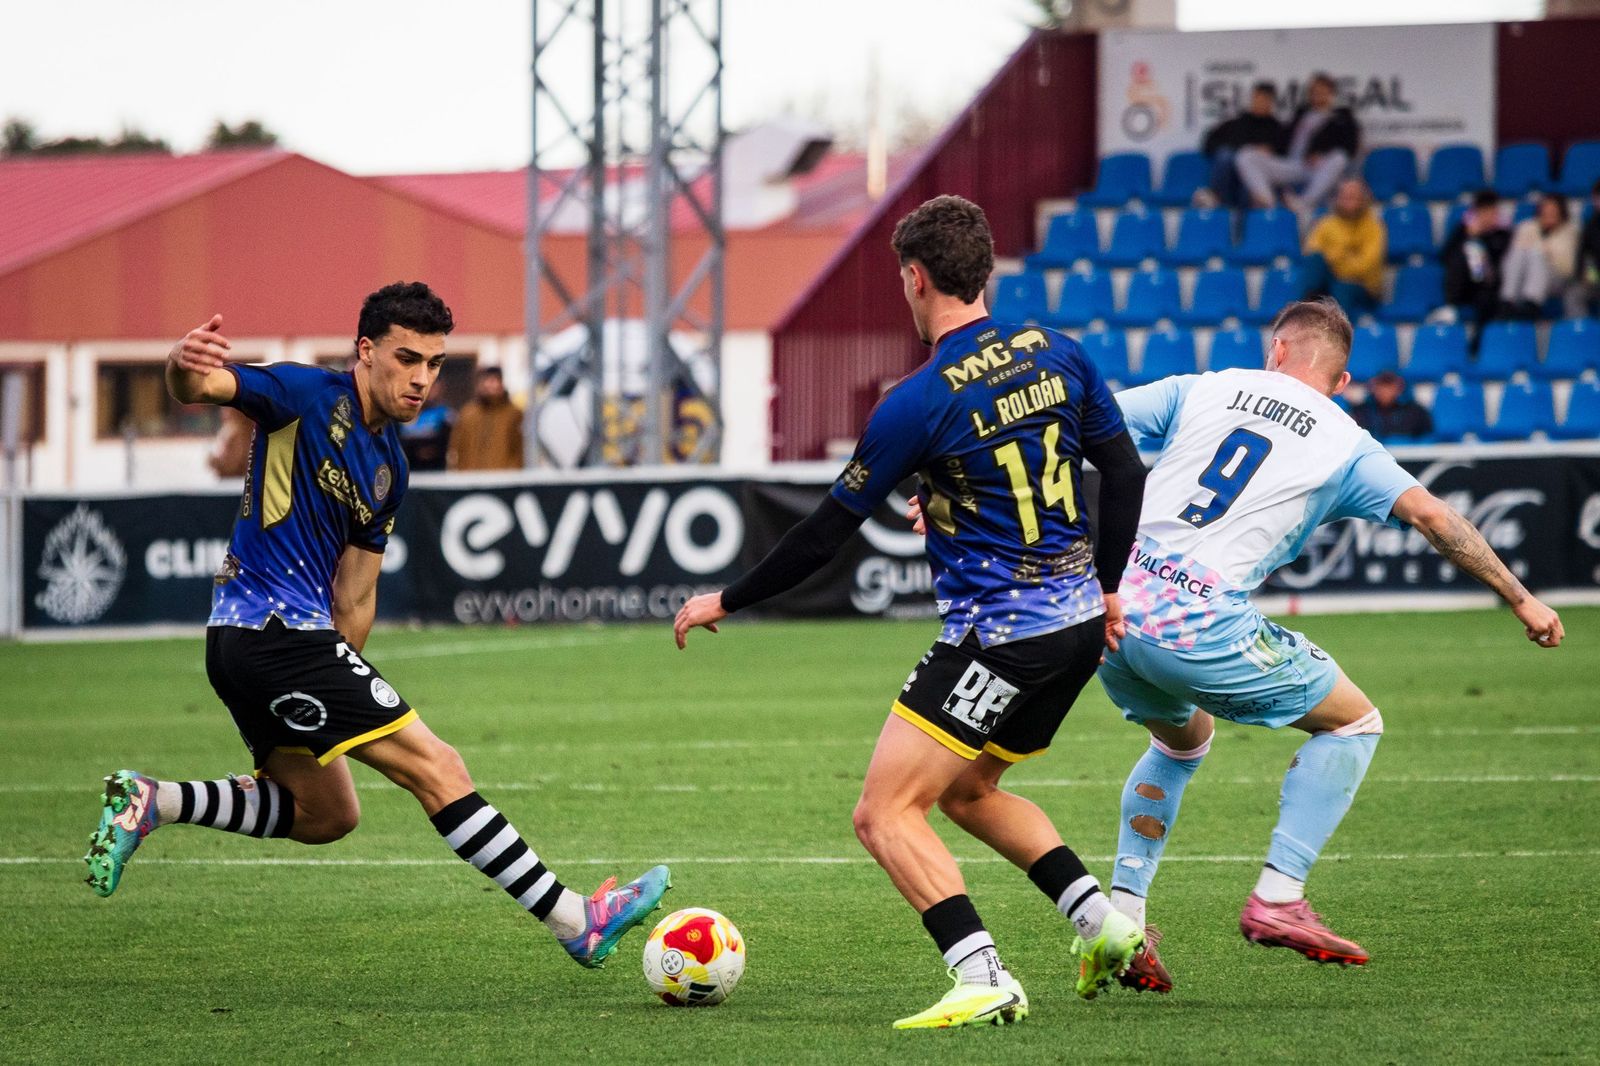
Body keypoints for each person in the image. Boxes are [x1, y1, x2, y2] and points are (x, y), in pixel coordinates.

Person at [84, 282, 669, 969]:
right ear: (366, 351)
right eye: (407, 358)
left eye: (435, 364)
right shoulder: (302, 394)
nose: (422, 378)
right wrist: (182, 362)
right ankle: (577, 920)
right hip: (271, 631)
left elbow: (357, 598)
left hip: (270, 648)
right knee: (438, 766)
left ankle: (155, 800)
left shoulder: (390, 468)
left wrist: (340, 687)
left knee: (327, 815)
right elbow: (199, 386)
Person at [673, 195, 1151, 1029]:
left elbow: (824, 535)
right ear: (988, 273)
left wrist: (728, 597)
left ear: (915, 278)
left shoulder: (917, 401)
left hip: (999, 640)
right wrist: (1107, 587)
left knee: (884, 812)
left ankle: (982, 974)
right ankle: (1102, 924)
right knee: (970, 790)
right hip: (1075, 626)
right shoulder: (1059, 354)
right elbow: (1124, 471)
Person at [1091, 298, 1563, 993]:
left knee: (1181, 741)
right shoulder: (1347, 440)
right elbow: (1434, 517)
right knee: (1355, 721)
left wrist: (957, 490)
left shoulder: (1206, 385)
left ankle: (1123, 918)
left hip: (1110, 611)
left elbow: (1080, 423)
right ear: (1341, 381)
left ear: (1277, 350)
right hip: (1198, 624)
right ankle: (1279, 897)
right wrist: (1521, 596)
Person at [1234, 72, 1359, 212]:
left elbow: (1350, 147)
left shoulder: (1342, 117)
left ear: (1331, 93)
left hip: (1319, 168)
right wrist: (1269, 148)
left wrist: (1322, 154)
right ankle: (1269, 203)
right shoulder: (1302, 112)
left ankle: (1304, 203)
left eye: (1322, 91)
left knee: (1339, 157)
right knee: (1246, 155)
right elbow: (1283, 138)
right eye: (1314, 91)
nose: (1317, 95)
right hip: (1292, 165)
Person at [1298, 177, 1386, 313]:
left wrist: (1335, 258)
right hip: (1328, 279)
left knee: (1343, 286)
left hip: (1362, 287)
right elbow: (1311, 251)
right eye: (1344, 197)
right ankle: (1304, 308)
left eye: (1353, 197)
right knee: (1315, 261)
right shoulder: (1325, 224)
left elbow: (1367, 266)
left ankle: (1339, 330)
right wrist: (1345, 257)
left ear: (1363, 200)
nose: (1348, 202)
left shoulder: (1374, 228)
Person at [1442, 189, 1512, 348]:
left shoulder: (1503, 233)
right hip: (1465, 285)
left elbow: (1501, 259)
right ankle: (1450, 306)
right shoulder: (1463, 229)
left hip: (1489, 286)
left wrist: (1482, 237)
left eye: (1492, 211)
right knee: (1463, 252)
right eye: (1484, 211)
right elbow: (1445, 256)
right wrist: (1469, 237)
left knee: (1487, 301)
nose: (1488, 215)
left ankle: (1477, 343)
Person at [1200, 81, 1285, 209]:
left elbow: (1282, 157)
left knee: (1251, 179)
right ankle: (1215, 197)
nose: (1261, 102)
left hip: (1254, 182)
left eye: (1266, 99)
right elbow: (1209, 143)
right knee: (1225, 155)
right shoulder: (1236, 123)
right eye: (1258, 98)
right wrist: (1241, 151)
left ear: (1271, 102)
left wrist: (1266, 153)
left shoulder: (1277, 129)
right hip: (1230, 179)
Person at [1499, 193, 1579, 319]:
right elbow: (1513, 258)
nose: (1549, 214)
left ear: (1561, 212)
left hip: (1557, 278)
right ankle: (1507, 301)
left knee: (1536, 254)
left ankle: (1531, 305)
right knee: (1520, 253)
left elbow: (1569, 267)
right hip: (1523, 278)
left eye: (1553, 211)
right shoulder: (1527, 227)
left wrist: (1543, 251)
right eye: (1546, 210)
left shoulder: (1570, 231)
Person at [449, 366, 524, 470]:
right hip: (470, 477)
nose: (491, 385)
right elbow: (457, 446)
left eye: (495, 380)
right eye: (488, 380)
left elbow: (519, 449)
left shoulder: (514, 414)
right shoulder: (468, 413)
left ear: (501, 383)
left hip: (503, 478)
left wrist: (513, 473)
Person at [1348, 369, 1433, 442]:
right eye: (1381, 385)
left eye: (1389, 385)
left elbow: (1428, 438)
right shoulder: (1359, 412)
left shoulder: (1417, 413)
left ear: (1399, 387)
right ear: (1373, 386)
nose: (1385, 390)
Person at [399, 377, 453, 471]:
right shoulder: (404, 413)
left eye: (433, 387)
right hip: (409, 469)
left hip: (436, 471)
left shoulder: (445, 414)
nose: (429, 391)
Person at [1569, 178, 1600, 318]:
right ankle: (1582, 332)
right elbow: (1582, 257)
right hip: (1596, 278)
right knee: (1574, 293)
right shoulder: (1591, 226)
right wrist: (1585, 276)